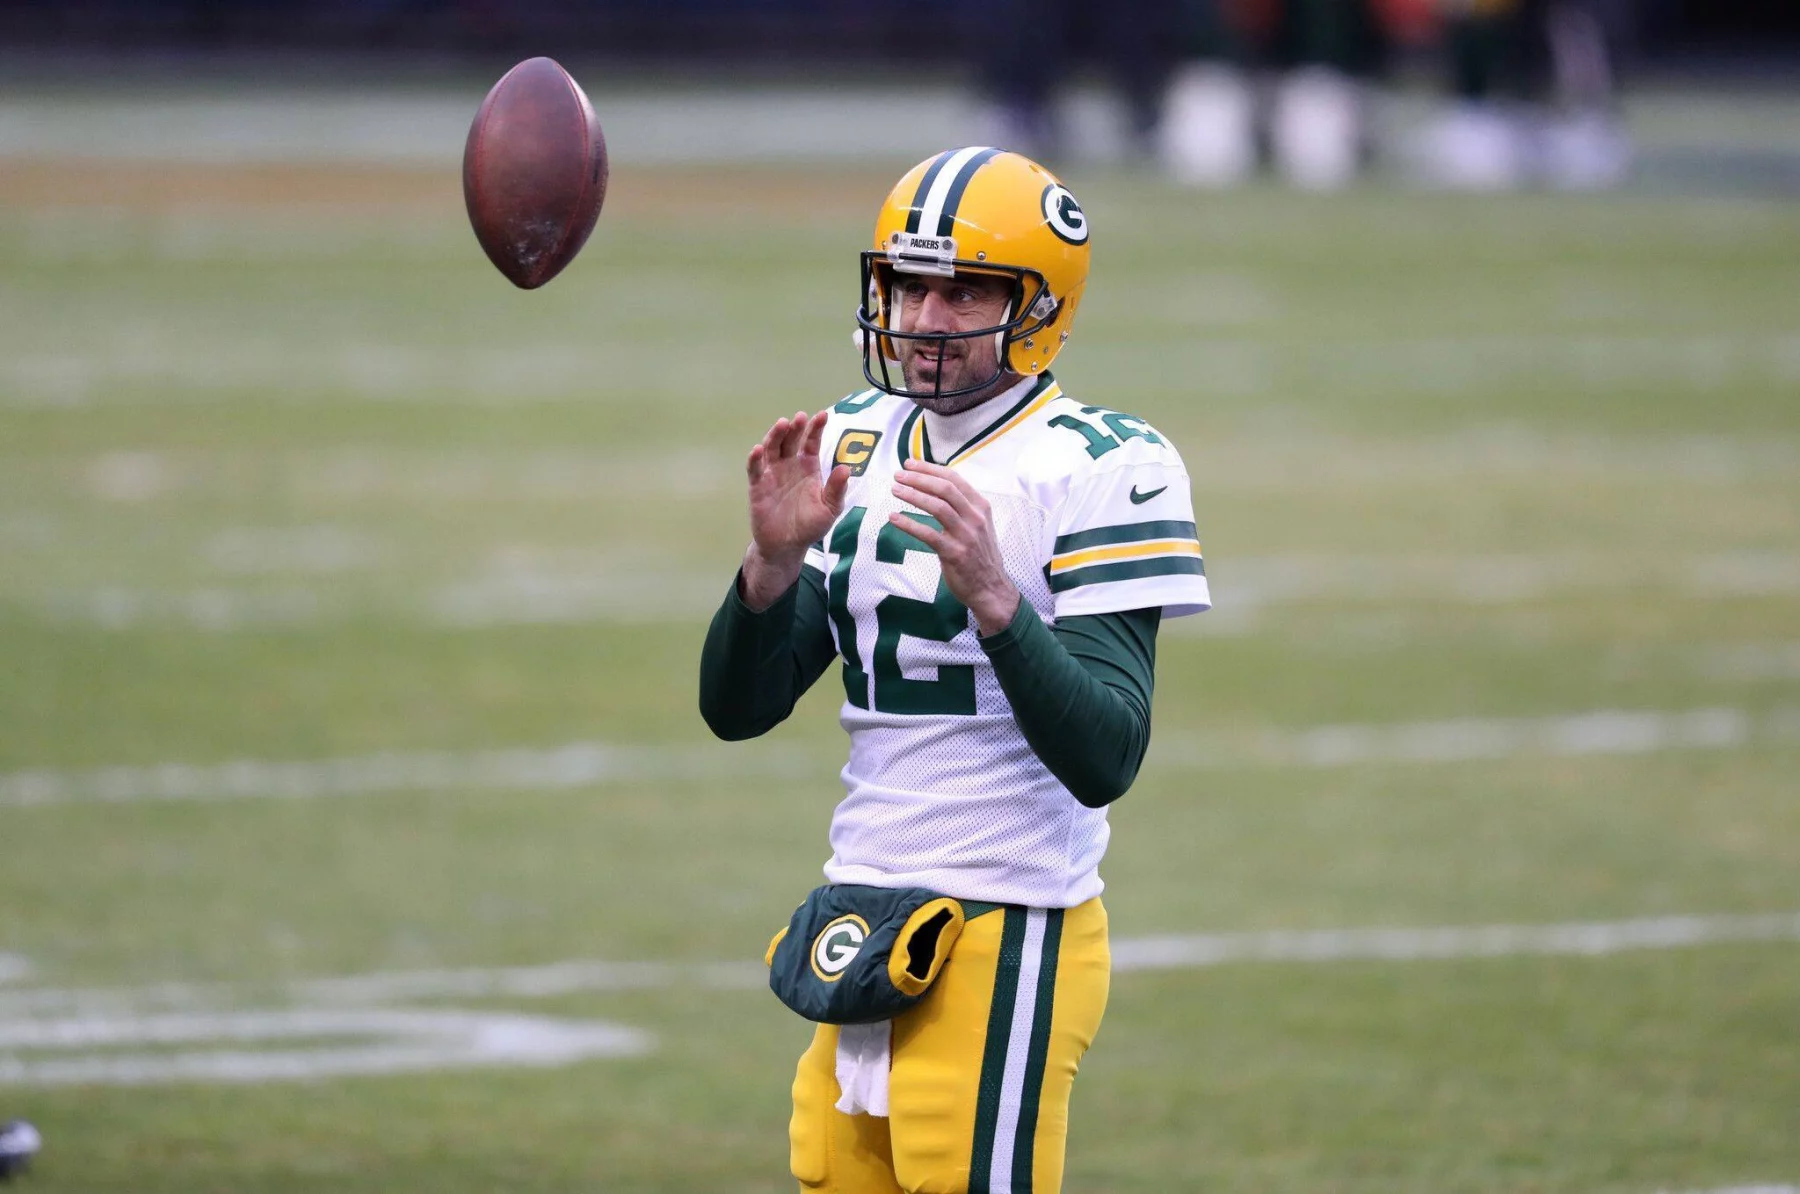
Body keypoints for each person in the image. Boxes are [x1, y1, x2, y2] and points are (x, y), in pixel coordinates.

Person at [698, 147, 1211, 1194]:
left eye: (964, 287)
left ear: (1038, 306)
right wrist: (770, 566)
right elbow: (736, 710)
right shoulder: (849, 437)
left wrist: (996, 599)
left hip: (1010, 920)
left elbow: (1108, 752)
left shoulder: (1105, 462)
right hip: (862, 908)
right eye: (909, 284)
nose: (926, 316)